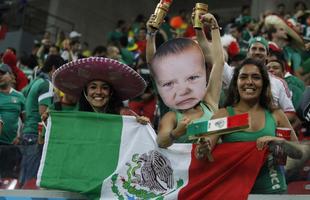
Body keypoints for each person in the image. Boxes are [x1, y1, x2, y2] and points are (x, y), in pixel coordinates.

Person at [196, 58, 303, 194]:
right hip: (235, 192)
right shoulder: (223, 115)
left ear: (264, 83)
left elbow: (298, 153)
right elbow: (204, 151)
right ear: (236, 83)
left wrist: (278, 141)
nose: (249, 82)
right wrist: (202, 149)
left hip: (273, 191)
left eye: (256, 77)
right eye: (243, 77)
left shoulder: (275, 114)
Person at [153, 13, 224, 148]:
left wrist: (214, 27)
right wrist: (176, 133)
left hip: (215, 167)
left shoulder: (209, 102)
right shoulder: (172, 116)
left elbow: (219, 63)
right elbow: (161, 142)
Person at [52, 57, 150, 123]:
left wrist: (141, 123)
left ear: (111, 93)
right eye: (93, 87)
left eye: (104, 88)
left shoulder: (125, 116)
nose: (98, 92)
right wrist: (50, 122)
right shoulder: (74, 117)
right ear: (85, 92)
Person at [19, 55, 65, 187]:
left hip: (27, 132)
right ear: (53, 68)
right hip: (35, 134)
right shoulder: (47, 85)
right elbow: (43, 113)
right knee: (31, 177)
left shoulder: (35, 81)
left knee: (24, 173)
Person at [0, 63, 25, 178]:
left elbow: (26, 119)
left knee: (8, 178)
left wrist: (20, 137)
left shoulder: (19, 96)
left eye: (2, 74)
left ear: (10, 76)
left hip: (11, 145)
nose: (0, 76)